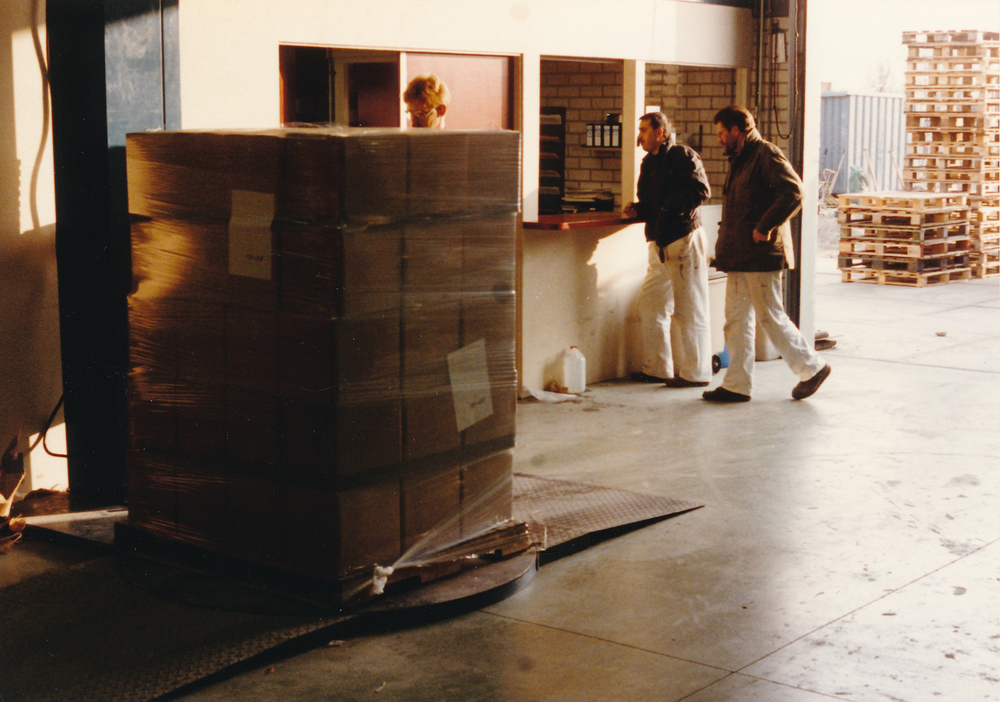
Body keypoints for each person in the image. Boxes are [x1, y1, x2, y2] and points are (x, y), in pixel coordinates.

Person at [703, 105, 831, 403]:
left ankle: (813, 368)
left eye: (721, 133)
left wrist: (765, 226)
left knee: (769, 316)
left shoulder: (766, 155)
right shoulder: (742, 159)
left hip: (760, 255)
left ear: (736, 130)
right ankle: (737, 385)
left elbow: (795, 192)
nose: (719, 139)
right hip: (740, 256)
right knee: (735, 321)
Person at [624, 112, 713, 388]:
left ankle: (696, 373)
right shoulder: (649, 163)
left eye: (644, 130)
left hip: (684, 240)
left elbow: (701, 190)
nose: (639, 136)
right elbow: (649, 202)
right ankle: (658, 368)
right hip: (660, 243)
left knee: (690, 308)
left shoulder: (682, 156)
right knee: (651, 303)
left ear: (660, 132)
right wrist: (638, 209)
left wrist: (665, 209)